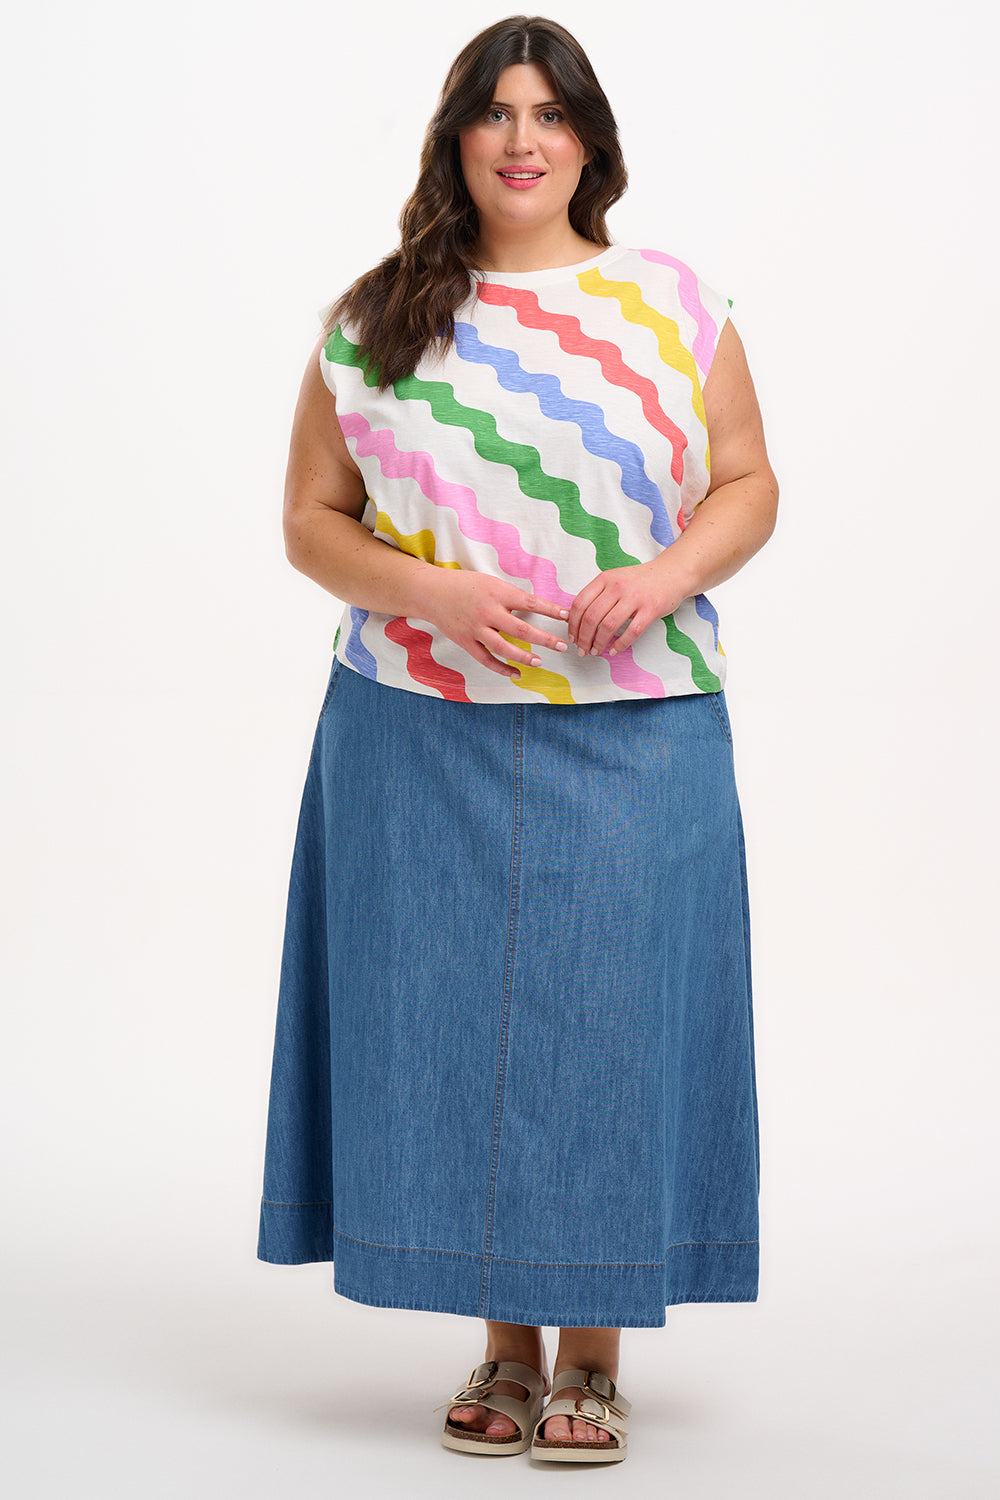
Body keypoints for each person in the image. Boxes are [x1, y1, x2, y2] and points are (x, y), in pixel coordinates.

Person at [258, 13, 777, 1465]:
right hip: (414, 729)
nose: (524, 138)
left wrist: (667, 574)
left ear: (591, 140)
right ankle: (499, 1348)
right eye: (496, 113)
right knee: (444, 1030)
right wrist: (428, 590)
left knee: (601, 1032)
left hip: (639, 724)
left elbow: (746, 481)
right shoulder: (376, 316)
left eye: (551, 114)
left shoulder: (676, 306)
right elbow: (310, 521)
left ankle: (590, 1361)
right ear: (457, 139)